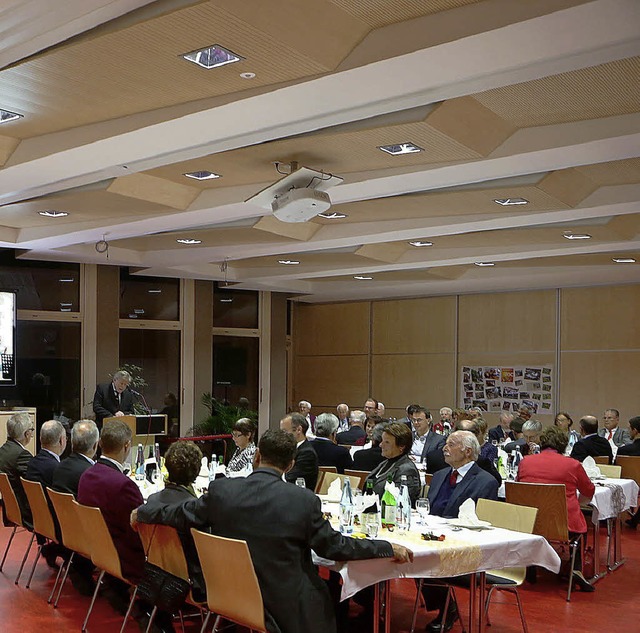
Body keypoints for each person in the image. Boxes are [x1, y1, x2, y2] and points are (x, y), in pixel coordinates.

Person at [132, 429, 413, 633]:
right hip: (285, 602)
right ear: (290, 464)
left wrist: (142, 511)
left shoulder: (222, 491)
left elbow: (178, 513)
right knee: (328, 592)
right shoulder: (303, 501)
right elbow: (335, 547)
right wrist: (385, 546)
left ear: (256, 456)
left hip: (227, 592)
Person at [422, 430, 500, 631]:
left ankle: (447, 609)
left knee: (424, 560)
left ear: (466, 451)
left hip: (463, 545)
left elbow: (482, 524)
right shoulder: (439, 476)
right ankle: (446, 606)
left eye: (451, 444)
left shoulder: (485, 481)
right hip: (432, 537)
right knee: (408, 556)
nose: (444, 448)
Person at [77, 419, 146, 617]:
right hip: (125, 557)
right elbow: (138, 529)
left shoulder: (86, 476)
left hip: (99, 550)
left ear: (100, 444)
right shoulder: (123, 485)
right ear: (127, 446)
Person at [517, 425, 595, 592]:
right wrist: (577, 502)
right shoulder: (572, 465)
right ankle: (576, 569)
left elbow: (519, 488)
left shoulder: (525, 462)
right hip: (564, 523)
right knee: (582, 526)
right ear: (564, 445)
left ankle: (530, 566)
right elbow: (589, 491)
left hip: (530, 521)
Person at [144, 440, 206, 603]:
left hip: (158, 573)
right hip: (190, 582)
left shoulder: (151, 500)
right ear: (197, 471)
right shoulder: (193, 511)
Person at [364, 422, 421, 505]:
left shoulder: (407, 470)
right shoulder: (385, 463)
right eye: (382, 441)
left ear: (401, 446)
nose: (380, 445)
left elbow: (399, 502)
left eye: (386, 442)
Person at [0, 412, 34, 525]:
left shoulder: (2, 450)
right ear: (26, 433)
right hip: (25, 512)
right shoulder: (21, 455)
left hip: (10, 509)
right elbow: (35, 483)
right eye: (32, 430)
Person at [280, 413, 319, 490]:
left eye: (284, 431)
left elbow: (290, 478)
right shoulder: (288, 448)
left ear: (298, 430)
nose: (281, 435)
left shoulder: (307, 453)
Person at [25, 419, 67, 486]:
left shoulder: (31, 462)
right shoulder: (57, 469)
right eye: (66, 438)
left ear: (40, 439)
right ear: (61, 440)